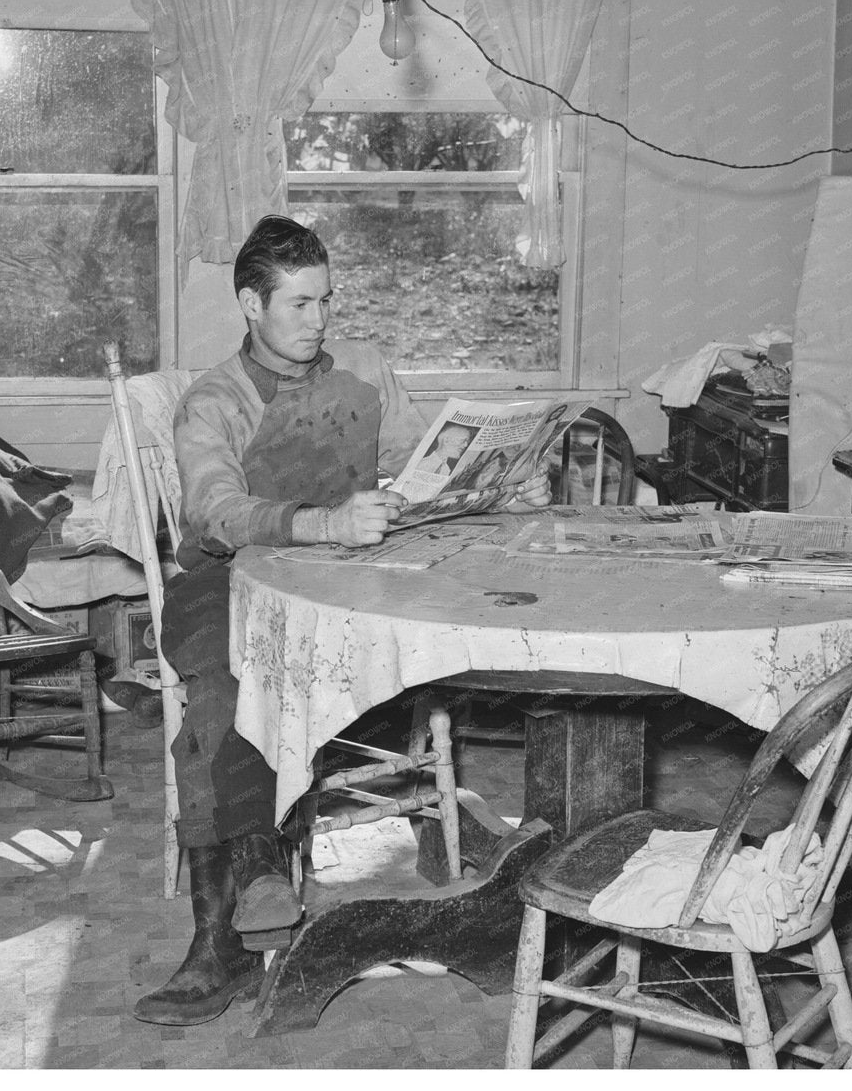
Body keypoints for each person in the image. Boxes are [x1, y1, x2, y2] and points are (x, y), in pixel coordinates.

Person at [132, 215, 551, 1026]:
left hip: (349, 578)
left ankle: (511, 866)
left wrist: (495, 481)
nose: (320, 321)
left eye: (326, 301)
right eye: (299, 304)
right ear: (251, 304)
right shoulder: (213, 401)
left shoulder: (364, 369)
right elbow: (215, 512)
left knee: (469, 622)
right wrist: (323, 523)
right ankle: (224, 929)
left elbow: (416, 459)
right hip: (228, 584)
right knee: (221, 692)